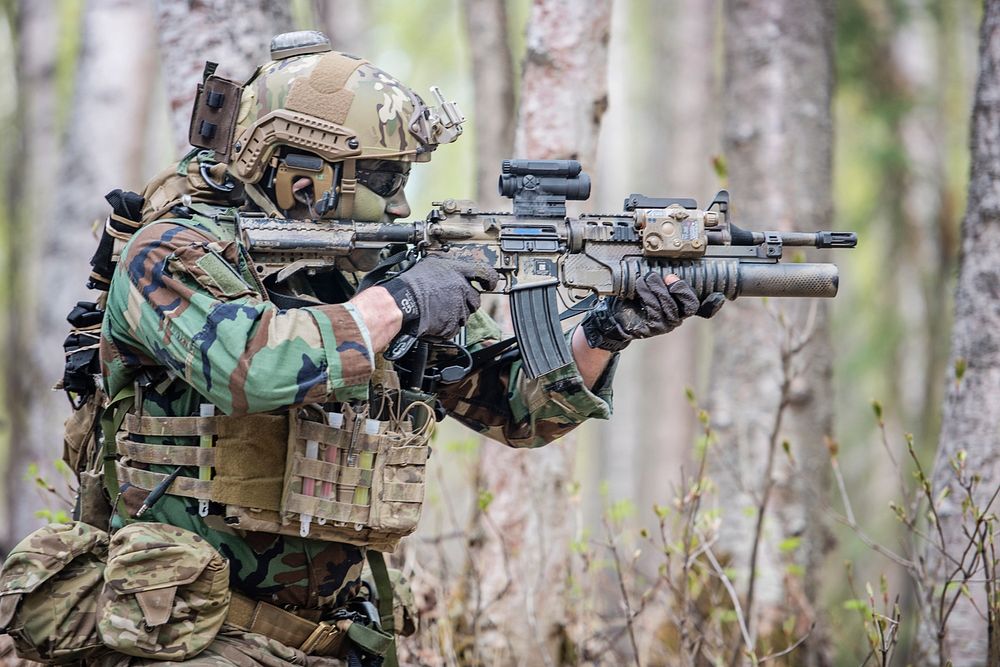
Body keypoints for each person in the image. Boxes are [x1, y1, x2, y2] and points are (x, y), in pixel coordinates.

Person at [6, 31, 719, 667]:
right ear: (301, 175)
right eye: (383, 179)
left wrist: (606, 326)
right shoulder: (170, 252)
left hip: (340, 637)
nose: (402, 204)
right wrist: (402, 303)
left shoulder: (363, 270)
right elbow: (252, 365)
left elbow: (515, 409)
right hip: (192, 636)